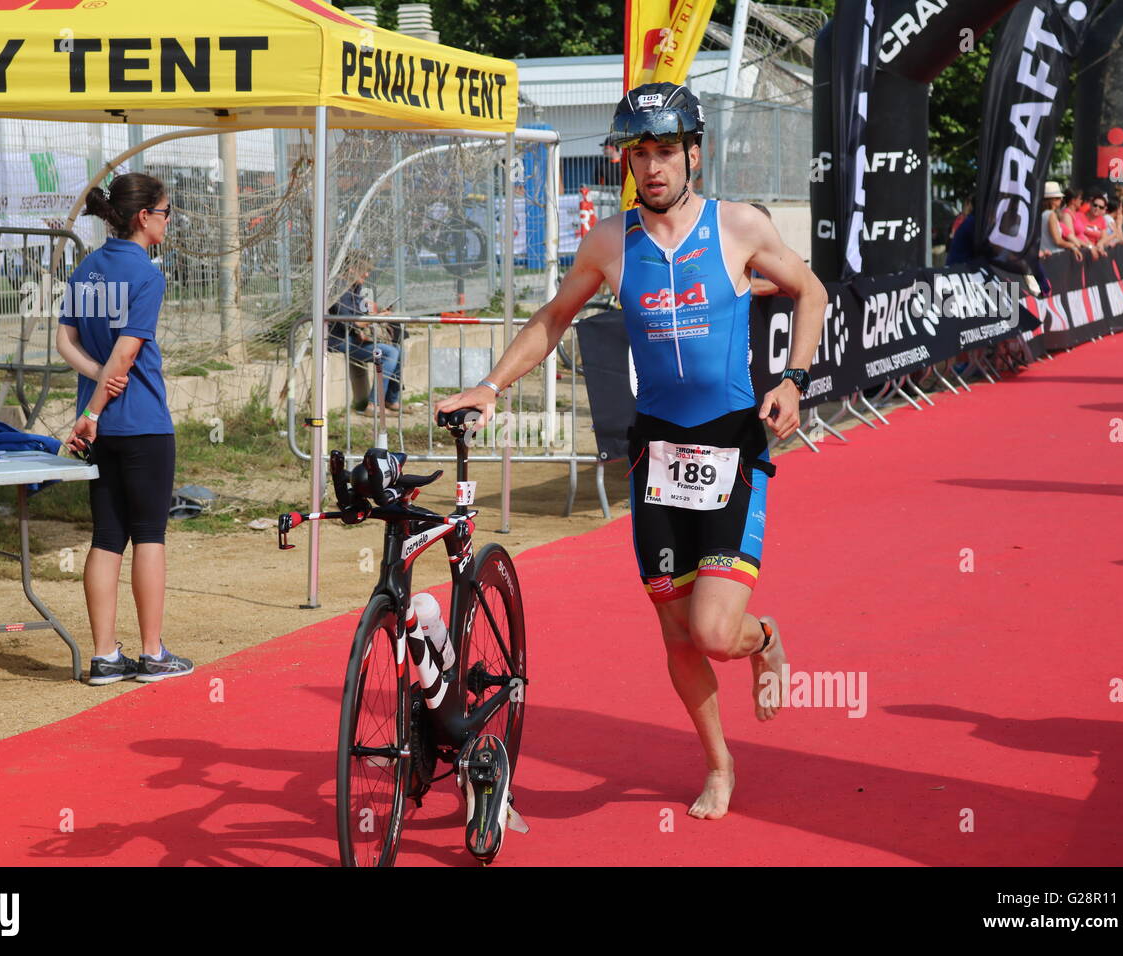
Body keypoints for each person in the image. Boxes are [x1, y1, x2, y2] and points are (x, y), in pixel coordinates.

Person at [437, 82, 827, 821]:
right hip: (658, 457)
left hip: (730, 448)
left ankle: (764, 637)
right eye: (638, 153)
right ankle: (719, 763)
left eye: (666, 151)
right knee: (677, 631)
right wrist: (489, 386)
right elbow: (553, 319)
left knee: (716, 631)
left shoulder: (739, 228)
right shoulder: (611, 243)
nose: (652, 166)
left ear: (694, 155)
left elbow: (810, 292)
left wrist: (795, 380)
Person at [57, 173, 194, 685]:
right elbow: (127, 352)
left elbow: (65, 341)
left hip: (104, 429)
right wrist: (93, 408)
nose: (168, 221)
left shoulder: (87, 268)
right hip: (140, 423)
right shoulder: (147, 274)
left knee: (107, 535)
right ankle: (152, 652)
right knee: (150, 535)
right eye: (165, 212)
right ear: (144, 216)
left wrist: (93, 388)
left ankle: (103, 656)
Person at [327, 251, 401, 414]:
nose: (367, 274)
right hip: (339, 341)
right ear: (352, 269)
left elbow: (361, 316)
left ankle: (391, 399)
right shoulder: (339, 288)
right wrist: (378, 318)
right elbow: (354, 321)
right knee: (389, 353)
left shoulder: (354, 287)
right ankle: (373, 405)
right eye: (364, 270)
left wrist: (377, 314)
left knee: (398, 350)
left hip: (354, 337)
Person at [1039, 181, 1081, 260]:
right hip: (1054, 257)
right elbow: (1058, 241)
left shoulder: (1042, 214)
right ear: (1051, 200)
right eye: (1058, 198)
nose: (1061, 199)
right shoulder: (1051, 215)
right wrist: (1072, 246)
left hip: (1048, 256)